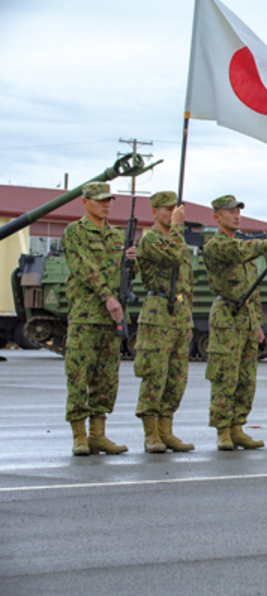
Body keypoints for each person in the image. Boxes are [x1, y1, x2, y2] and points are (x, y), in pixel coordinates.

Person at [203, 195, 267, 450]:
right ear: (217, 217)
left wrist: (256, 322)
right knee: (225, 375)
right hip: (226, 315)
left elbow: (253, 290)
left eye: (238, 211)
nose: (236, 215)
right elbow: (238, 252)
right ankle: (222, 430)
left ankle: (237, 426)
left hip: (245, 317)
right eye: (230, 212)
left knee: (246, 377)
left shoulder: (244, 248)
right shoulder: (216, 245)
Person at [62, 181, 135, 455]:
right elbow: (84, 267)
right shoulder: (75, 232)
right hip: (86, 316)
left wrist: (131, 259)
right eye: (100, 200)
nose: (106, 204)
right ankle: (79, 436)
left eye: (109, 200)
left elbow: (126, 276)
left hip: (111, 319)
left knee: (106, 378)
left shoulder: (117, 237)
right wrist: (107, 296)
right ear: (85, 202)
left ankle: (98, 434)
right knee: (79, 375)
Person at [133, 191, 194, 453]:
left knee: (177, 376)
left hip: (179, 312)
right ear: (154, 212)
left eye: (175, 209)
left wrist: (188, 316)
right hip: (158, 311)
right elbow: (172, 257)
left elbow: (187, 281)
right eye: (166, 209)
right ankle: (151, 433)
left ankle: (166, 428)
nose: (172, 214)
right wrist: (178, 227)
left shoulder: (176, 240)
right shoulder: (150, 241)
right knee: (155, 374)